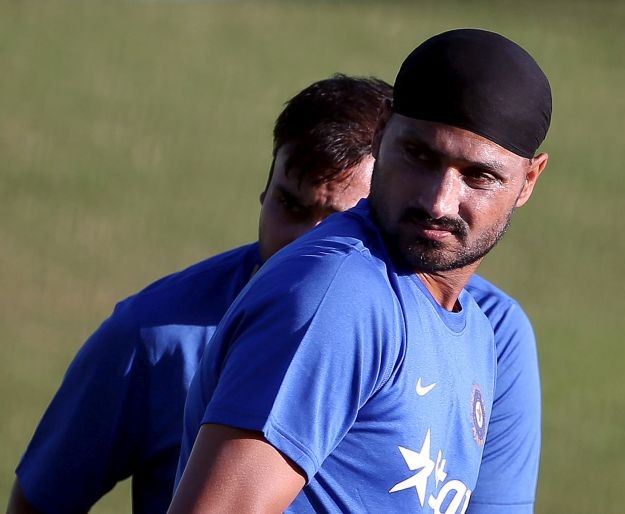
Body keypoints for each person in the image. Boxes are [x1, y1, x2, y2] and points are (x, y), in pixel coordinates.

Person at [170, 28, 551, 514]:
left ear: (529, 180)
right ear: (383, 133)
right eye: (419, 156)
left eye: (478, 176)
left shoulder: (472, 327)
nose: (438, 201)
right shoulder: (338, 295)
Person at [8, 74, 392, 514]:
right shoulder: (153, 337)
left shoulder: (456, 332)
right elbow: (38, 504)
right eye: (291, 206)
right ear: (265, 191)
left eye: (337, 221)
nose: (305, 244)